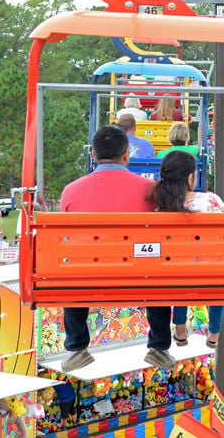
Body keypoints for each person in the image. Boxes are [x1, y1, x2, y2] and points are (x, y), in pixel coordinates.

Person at [58, 124, 175, 372]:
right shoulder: (149, 190)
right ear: (126, 155)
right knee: (157, 267)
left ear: (93, 155)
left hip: (88, 277)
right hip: (139, 276)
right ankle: (159, 346)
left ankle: (76, 346)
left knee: (73, 267)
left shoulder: (71, 191)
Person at [151, 150, 224, 349]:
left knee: (178, 269)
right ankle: (214, 332)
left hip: (174, 274)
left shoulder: (160, 208)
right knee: (218, 266)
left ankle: (181, 328)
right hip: (212, 273)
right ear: (190, 178)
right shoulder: (210, 201)